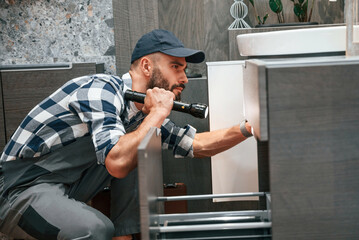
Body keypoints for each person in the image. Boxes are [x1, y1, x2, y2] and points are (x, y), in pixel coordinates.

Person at [0, 29, 253, 240]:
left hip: (65, 188)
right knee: (96, 230)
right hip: (19, 190)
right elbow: (117, 162)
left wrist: (248, 128)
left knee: (140, 142)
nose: (184, 78)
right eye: (176, 67)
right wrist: (157, 115)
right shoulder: (101, 90)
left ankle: (125, 236)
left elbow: (196, 144)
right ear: (146, 66)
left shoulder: (140, 114)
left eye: (184, 69)